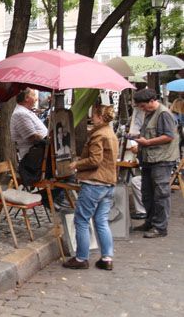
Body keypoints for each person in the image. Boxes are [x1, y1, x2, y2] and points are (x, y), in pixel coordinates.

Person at [63, 105, 118, 271]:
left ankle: (81, 258)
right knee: (101, 221)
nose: (92, 118)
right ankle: (107, 258)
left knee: (81, 220)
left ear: (100, 117)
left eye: (93, 115)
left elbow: (95, 160)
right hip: (108, 183)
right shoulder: (110, 132)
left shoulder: (99, 134)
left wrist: (77, 164)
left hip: (95, 182)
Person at [132, 88, 179, 238]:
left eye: (144, 106)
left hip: (162, 159)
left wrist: (147, 142)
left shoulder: (163, 114)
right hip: (149, 158)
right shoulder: (150, 113)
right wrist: (139, 142)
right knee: (147, 193)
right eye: (140, 106)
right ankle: (151, 221)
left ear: (152, 101)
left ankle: (160, 227)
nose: (142, 109)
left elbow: (169, 136)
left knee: (160, 194)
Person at [10, 88, 48, 159]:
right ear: (26, 98)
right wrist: (49, 140)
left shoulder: (25, 111)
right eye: (34, 95)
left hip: (39, 153)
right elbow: (33, 137)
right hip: (33, 156)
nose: (36, 99)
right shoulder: (20, 113)